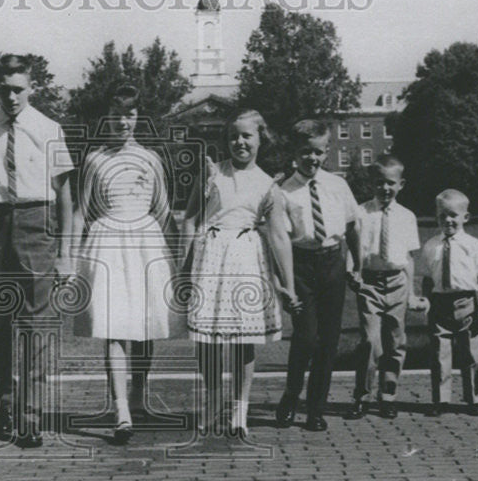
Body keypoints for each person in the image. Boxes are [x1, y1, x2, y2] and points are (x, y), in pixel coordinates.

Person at [0, 54, 75, 448]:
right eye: (3, 90)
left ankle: (31, 415)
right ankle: (7, 404)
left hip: (35, 221)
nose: (10, 97)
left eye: (18, 89)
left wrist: (65, 252)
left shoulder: (49, 128)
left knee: (36, 324)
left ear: (32, 87)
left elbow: (64, 194)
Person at [73, 84, 182, 443]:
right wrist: (76, 258)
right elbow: (83, 212)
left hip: (147, 243)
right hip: (108, 243)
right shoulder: (94, 159)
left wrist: (178, 257)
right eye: (117, 114)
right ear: (106, 116)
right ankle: (121, 410)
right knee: (114, 325)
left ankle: (138, 396)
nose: (123, 121)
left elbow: (163, 210)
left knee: (147, 324)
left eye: (130, 114)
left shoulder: (151, 158)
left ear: (138, 117)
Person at [183, 109, 297, 438]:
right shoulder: (212, 173)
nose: (240, 142)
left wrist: (288, 284)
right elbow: (191, 218)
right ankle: (213, 399)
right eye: (234, 135)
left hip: (246, 259)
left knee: (242, 340)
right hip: (210, 257)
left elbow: (278, 237)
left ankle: (239, 408)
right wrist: (185, 264)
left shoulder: (268, 185)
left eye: (247, 135)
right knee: (206, 339)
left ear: (261, 139)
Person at [275, 120, 362, 432]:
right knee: (306, 337)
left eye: (318, 152)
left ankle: (315, 408)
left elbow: (352, 227)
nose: (312, 158)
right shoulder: (284, 192)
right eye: (305, 152)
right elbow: (280, 241)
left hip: (333, 263)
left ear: (326, 151)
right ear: (293, 154)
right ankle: (291, 393)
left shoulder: (337, 185)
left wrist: (357, 265)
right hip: (301, 266)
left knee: (329, 341)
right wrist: (285, 285)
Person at [347, 155, 427, 420]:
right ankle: (362, 395)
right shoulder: (360, 213)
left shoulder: (407, 216)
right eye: (380, 182)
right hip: (369, 282)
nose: (385, 188)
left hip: (397, 283)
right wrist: (354, 272)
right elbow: (353, 248)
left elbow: (409, 258)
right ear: (372, 183)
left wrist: (413, 292)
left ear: (401, 184)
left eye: (391, 183)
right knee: (370, 340)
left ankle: (388, 395)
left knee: (395, 341)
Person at [419, 188, 478, 416]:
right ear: (436, 216)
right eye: (442, 215)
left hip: (467, 302)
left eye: (453, 215)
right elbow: (427, 279)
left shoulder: (473, 245)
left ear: (465, 217)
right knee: (440, 354)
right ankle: (441, 400)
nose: (448, 220)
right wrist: (426, 305)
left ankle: (474, 399)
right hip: (440, 303)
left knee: (471, 355)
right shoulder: (431, 245)